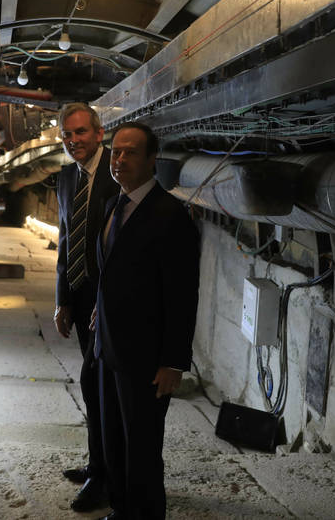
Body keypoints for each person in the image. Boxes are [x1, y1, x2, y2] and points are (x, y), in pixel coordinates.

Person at [94, 122, 200, 520]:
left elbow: (183, 294)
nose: (119, 160)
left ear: (153, 159)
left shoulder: (170, 215)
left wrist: (174, 361)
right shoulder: (113, 204)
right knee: (115, 442)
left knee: (142, 449)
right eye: (115, 152)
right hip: (109, 347)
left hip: (146, 356)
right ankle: (122, 511)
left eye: (130, 153)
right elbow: (114, 272)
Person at [53, 102, 120, 512]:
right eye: (66, 135)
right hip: (78, 296)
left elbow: (124, 249)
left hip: (108, 301)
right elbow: (64, 238)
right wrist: (62, 298)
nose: (73, 140)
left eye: (80, 132)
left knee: (97, 387)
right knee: (95, 386)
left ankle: (104, 476)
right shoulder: (66, 178)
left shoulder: (119, 171)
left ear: (99, 132)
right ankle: (99, 462)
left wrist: (105, 300)